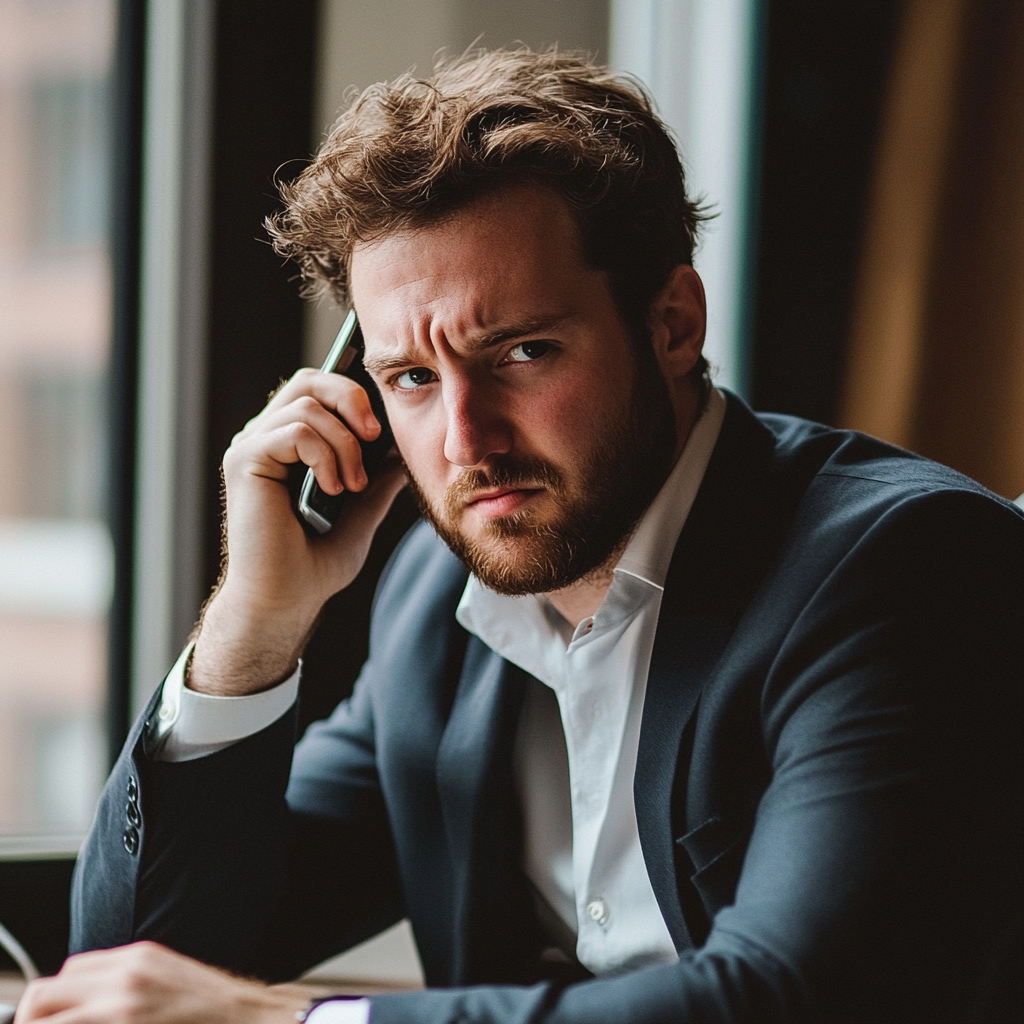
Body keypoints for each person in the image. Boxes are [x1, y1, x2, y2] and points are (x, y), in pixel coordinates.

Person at [16, 49, 1022, 1024]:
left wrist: (294, 1022)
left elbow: (797, 999)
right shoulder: (433, 604)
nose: (464, 441)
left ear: (673, 322)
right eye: (411, 376)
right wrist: (252, 625)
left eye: (522, 352)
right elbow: (135, 965)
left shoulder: (905, 567)